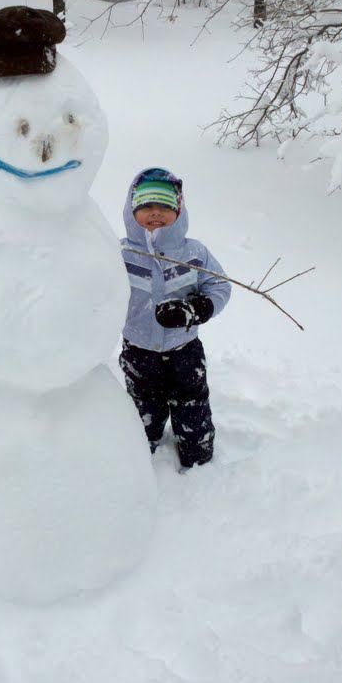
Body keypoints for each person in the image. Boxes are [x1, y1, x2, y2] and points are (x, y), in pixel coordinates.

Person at [119, 167, 230, 469]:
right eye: (147, 206)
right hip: (139, 350)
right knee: (142, 405)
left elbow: (219, 285)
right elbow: (99, 290)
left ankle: (197, 453)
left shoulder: (193, 252)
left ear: (178, 211)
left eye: (165, 207)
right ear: (133, 211)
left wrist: (197, 309)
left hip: (185, 351)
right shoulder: (122, 254)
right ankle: (143, 448)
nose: (156, 213)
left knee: (192, 402)